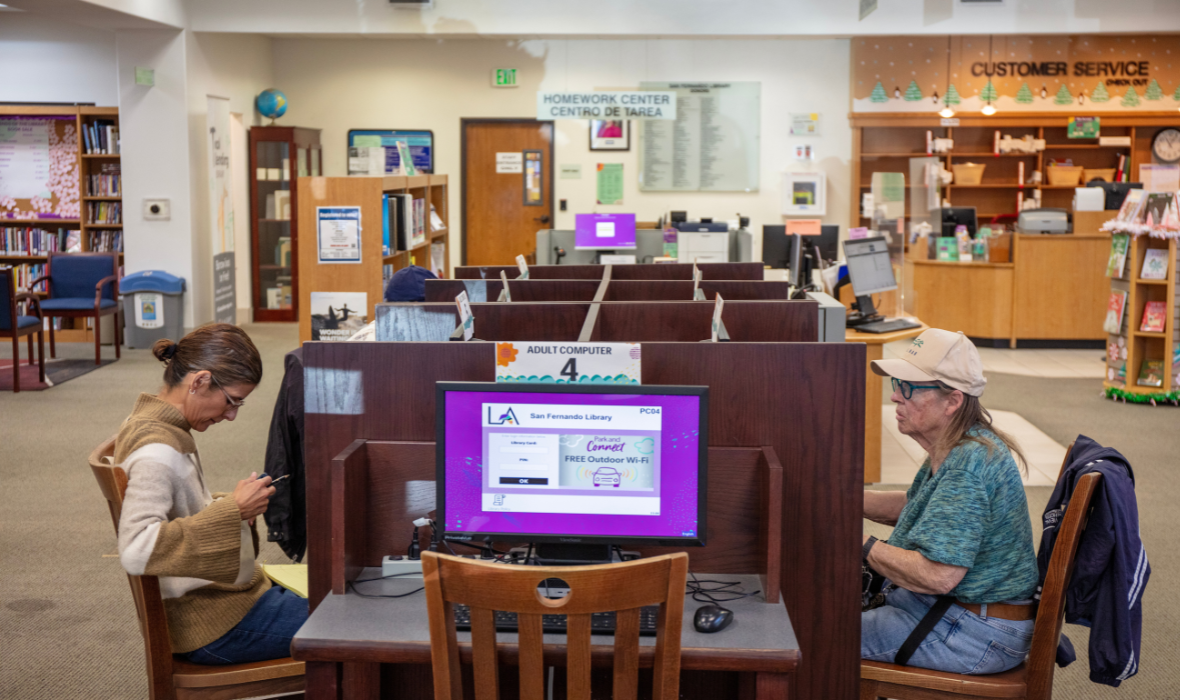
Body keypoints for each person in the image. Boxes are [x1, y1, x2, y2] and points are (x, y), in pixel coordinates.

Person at [115, 323, 308, 665]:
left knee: (334, 605)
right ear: (200, 381)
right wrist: (231, 510)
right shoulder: (157, 450)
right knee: (348, 627)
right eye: (231, 401)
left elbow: (184, 517)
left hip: (218, 606)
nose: (232, 415)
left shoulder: (162, 427)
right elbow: (136, 549)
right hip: (209, 622)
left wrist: (231, 506)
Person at [861, 328, 1039, 675]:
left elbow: (937, 576)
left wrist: (860, 543)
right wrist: (840, 500)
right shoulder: (960, 443)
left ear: (953, 401)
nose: (896, 397)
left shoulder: (967, 466)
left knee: (812, 633)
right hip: (960, 612)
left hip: (974, 631)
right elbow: (917, 506)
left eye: (908, 388)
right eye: (897, 383)